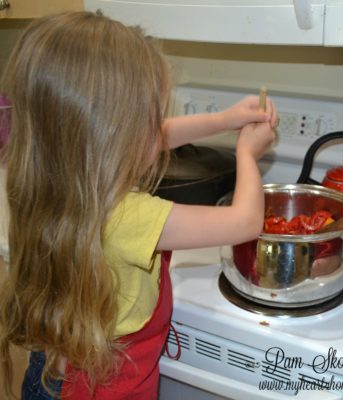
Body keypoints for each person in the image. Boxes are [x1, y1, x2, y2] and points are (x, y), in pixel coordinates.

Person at [0, 11, 277, 400]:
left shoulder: (48, 180)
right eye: (151, 119)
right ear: (115, 135)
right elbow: (246, 222)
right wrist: (247, 155)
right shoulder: (128, 215)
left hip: (48, 379)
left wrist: (224, 120)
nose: (159, 128)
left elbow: (151, 138)